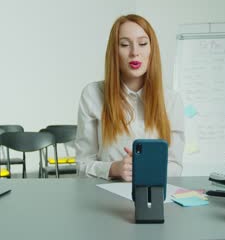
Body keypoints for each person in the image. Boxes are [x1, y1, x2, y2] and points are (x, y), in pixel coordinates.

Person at [74, 14, 184, 181]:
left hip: (152, 196)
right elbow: (82, 165)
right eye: (125, 44)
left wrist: (146, 169)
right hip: (105, 196)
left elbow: (175, 166)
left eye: (142, 44)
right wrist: (113, 168)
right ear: (114, 52)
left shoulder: (171, 100)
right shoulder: (92, 94)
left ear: (152, 49)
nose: (134, 52)